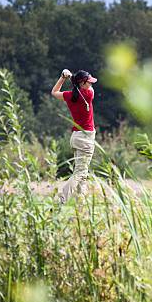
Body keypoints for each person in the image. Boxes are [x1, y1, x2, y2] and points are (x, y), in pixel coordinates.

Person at [50, 69, 98, 204]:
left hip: (76, 137)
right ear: (82, 83)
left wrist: (63, 78)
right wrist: (72, 78)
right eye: (88, 82)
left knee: (82, 173)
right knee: (80, 173)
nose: (90, 84)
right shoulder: (88, 94)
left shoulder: (70, 95)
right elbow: (91, 89)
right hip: (86, 139)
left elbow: (54, 92)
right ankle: (60, 200)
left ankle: (81, 207)